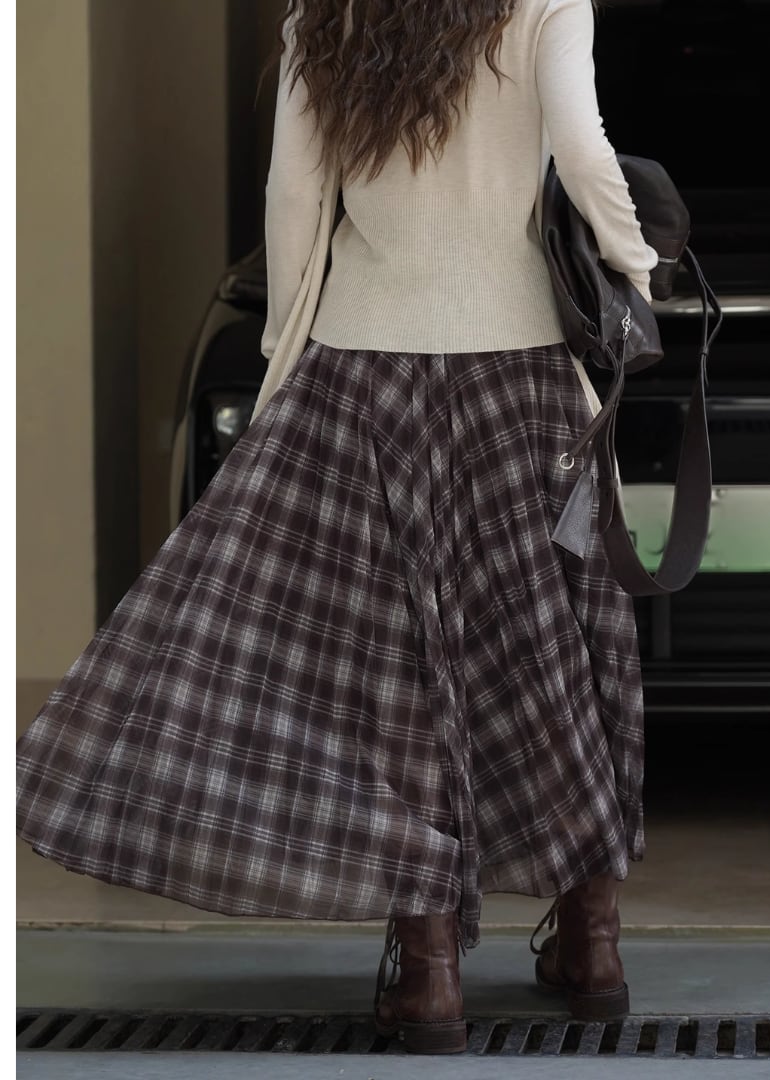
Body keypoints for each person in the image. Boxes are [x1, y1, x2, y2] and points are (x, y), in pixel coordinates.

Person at [16, 0, 657, 1056]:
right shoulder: (547, 3)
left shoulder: (328, 14)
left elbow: (294, 193)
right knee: (556, 649)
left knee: (393, 675)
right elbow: (586, 158)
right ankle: (593, 946)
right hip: (523, 379)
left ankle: (430, 972)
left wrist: (286, 353)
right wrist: (636, 271)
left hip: (362, 374)